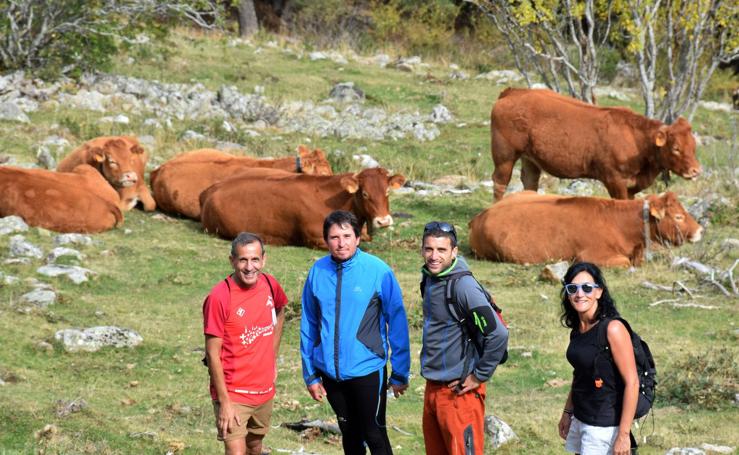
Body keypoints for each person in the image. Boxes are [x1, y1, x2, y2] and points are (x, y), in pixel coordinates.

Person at [300, 210, 411, 455]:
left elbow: (398, 321)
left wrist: (400, 371)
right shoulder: (317, 272)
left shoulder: (377, 271)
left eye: (347, 236)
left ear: (358, 238)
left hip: (367, 369)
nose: (341, 243)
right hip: (329, 372)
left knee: (374, 433)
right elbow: (308, 324)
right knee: (349, 436)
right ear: (326, 240)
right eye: (334, 237)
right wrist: (310, 374)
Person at [419, 221, 509, 455]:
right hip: (434, 388)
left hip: (459, 394)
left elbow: (498, 333)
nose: (434, 256)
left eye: (441, 250)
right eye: (429, 249)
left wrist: (479, 375)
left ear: (454, 252)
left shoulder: (463, 287)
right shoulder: (430, 279)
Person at [203, 232, 288, 455]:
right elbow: (212, 354)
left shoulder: (270, 284)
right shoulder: (219, 297)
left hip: (264, 391)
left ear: (264, 259)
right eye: (243, 260)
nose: (249, 267)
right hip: (233, 393)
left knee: (255, 446)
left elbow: (280, 312)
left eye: (254, 260)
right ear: (232, 261)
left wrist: (272, 358)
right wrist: (224, 403)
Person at [557, 262, 639, 455]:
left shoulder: (613, 329)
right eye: (572, 288)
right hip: (581, 417)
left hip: (604, 425)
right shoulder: (578, 330)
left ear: (599, 292)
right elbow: (580, 375)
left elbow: (632, 382)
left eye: (587, 288)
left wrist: (623, 434)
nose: (579, 294)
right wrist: (567, 413)